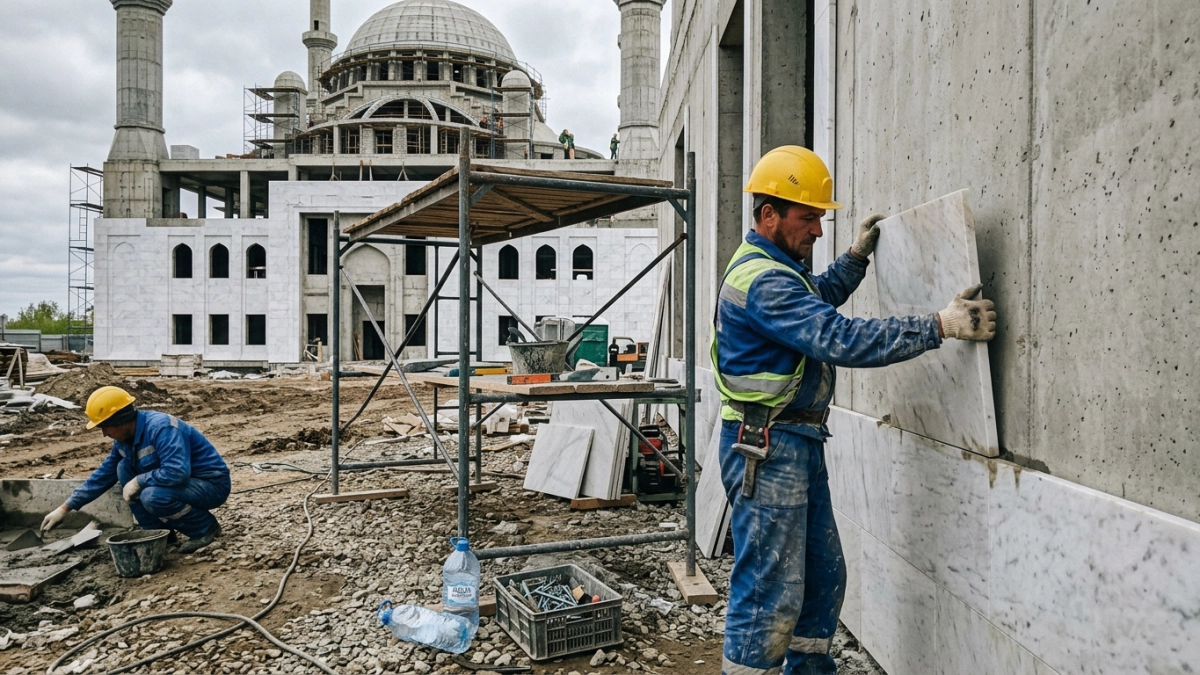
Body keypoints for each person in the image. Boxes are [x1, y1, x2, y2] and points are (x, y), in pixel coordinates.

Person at [712, 145, 996, 675]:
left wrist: (856, 259)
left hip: (792, 444)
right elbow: (835, 337)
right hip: (768, 450)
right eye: (808, 218)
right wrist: (939, 325)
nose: (817, 231)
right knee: (768, 594)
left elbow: (814, 298)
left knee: (822, 577)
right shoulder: (767, 280)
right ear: (768, 214)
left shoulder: (775, 268)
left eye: (821, 218)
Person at [40, 386, 231, 554]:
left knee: (152, 496)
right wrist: (65, 508)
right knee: (122, 468)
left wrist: (138, 481)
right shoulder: (124, 439)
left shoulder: (162, 427)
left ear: (121, 420)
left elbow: (177, 471)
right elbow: (104, 474)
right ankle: (158, 534)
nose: (104, 434)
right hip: (183, 485)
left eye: (105, 427)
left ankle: (205, 529)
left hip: (210, 485)